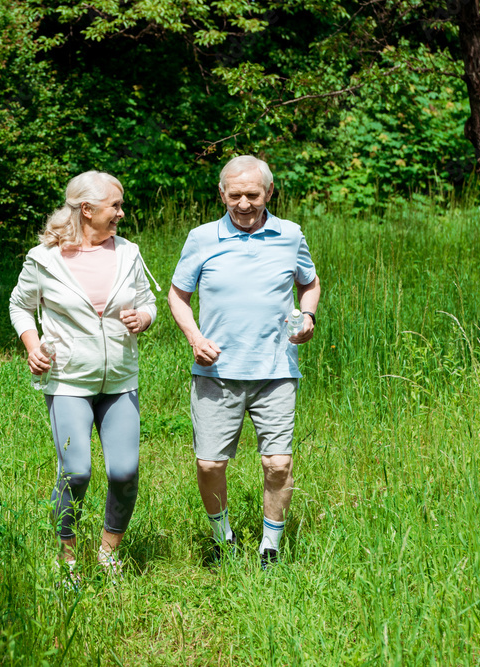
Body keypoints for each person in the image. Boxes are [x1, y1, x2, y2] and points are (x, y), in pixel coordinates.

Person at [167, 155, 321, 569]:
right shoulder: (201, 238)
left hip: (276, 370)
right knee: (210, 463)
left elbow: (309, 282)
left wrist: (308, 316)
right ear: (222, 194)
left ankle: (270, 547)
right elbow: (178, 295)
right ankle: (223, 539)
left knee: (278, 463)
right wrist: (195, 338)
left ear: (269, 192)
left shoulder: (290, 235)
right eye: (234, 195)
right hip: (216, 371)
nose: (244, 204)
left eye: (253, 194)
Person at [9, 170, 160, 581]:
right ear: (87, 209)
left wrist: (144, 317)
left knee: (124, 472)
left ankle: (108, 554)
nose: (121, 213)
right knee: (75, 472)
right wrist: (32, 345)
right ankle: (68, 558)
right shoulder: (44, 259)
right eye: (115, 206)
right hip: (68, 380)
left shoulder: (128, 252)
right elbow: (20, 306)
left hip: (120, 379)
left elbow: (148, 302)